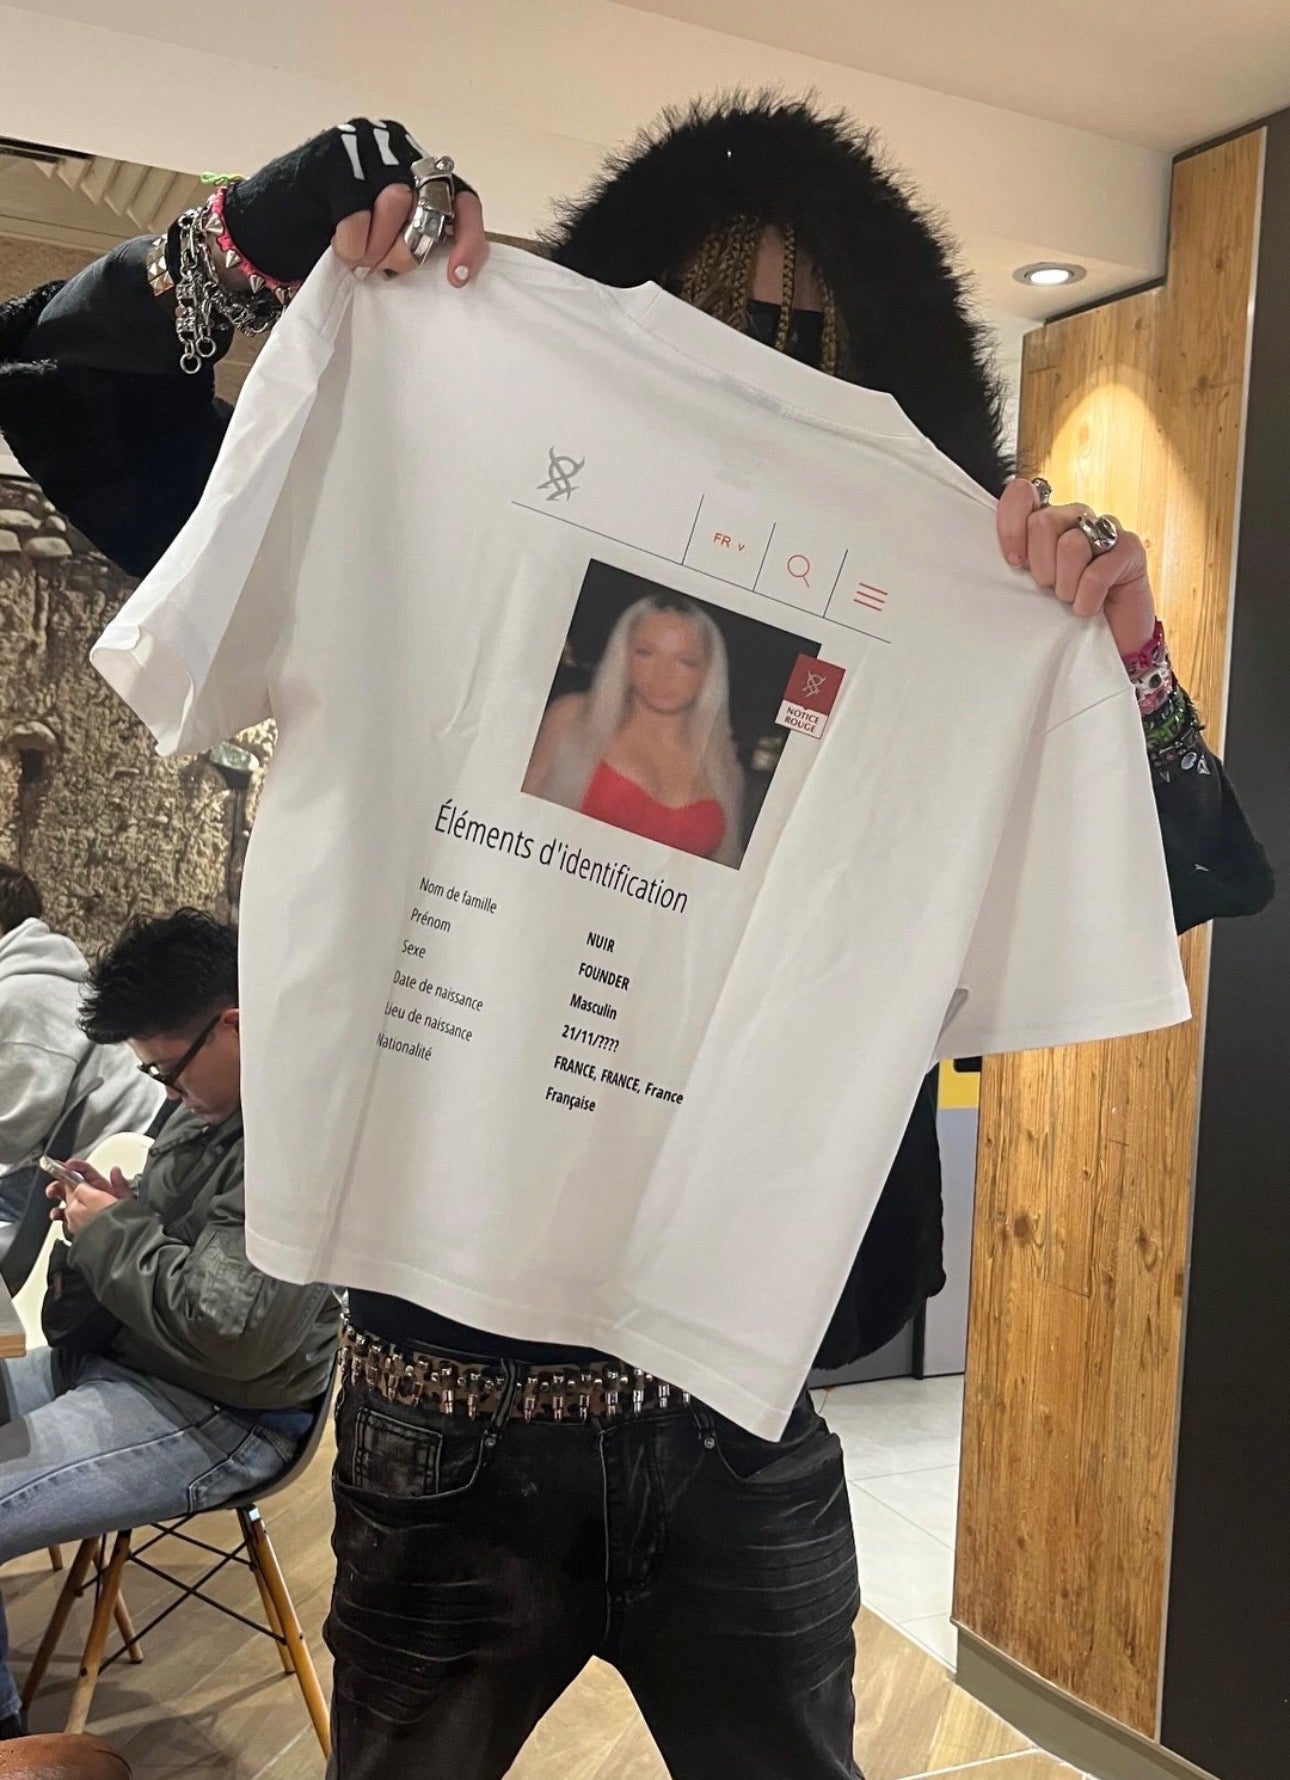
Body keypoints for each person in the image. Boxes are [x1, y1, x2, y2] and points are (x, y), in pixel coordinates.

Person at [0, 103, 1272, 1778]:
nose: (761, 368)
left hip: (737, 1402)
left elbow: (1187, 876)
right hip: (440, 1398)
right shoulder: (440, 465)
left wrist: (1125, 669)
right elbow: (56, 387)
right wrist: (254, 241)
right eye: (712, 315)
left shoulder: (961, 594)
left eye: (811, 339)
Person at [0, 909, 338, 1740]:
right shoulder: (213, 1101)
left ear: (235, 1025)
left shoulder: (296, 1137)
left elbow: (234, 1329)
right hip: (135, 1357)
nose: (166, 1092)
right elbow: (182, 1248)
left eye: (167, 1069)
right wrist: (116, 1212)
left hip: (228, 1411)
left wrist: (112, 1231)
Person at [0, 865, 163, 1235]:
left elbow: (10, 1136)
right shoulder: (46, 972)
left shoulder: (17, 996)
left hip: (110, 1165)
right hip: (113, 1147)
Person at [524, 592, 745, 864]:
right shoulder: (574, 717)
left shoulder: (721, 760)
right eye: (645, 653)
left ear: (708, 672)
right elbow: (516, 817)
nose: (663, 674)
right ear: (624, 656)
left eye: (685, 661)